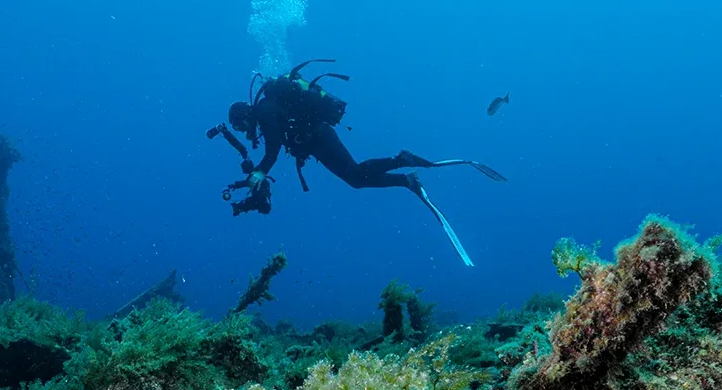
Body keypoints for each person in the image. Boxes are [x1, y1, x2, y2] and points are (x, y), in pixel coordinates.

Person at [208, 60, 503, 266]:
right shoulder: (269, 110)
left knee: (356, 174)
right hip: (316, 138)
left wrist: (260, 172)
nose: (245, 133)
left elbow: (272, 152)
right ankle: (406, 178)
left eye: (240, 127)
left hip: (318, 136)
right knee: (356, 178)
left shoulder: (265, 112)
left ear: (244, 116)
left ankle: (402, 163)